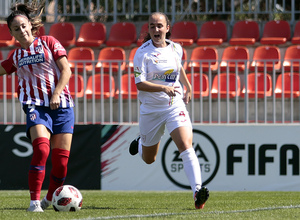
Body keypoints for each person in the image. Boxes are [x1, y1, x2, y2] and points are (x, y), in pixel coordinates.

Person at [129, 12, 209, 209]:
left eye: (160, 26)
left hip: (174, 105)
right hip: (150, 110)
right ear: (148, 29)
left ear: (167, 28)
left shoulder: (176, 48)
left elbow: (178, 67)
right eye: (152, 26)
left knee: (185, 144)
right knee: (149, 159)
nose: (156, 30)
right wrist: (163, 88)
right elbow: (140, 84)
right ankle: (141, 144)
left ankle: (197, 192)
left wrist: (188, 86)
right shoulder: (142, 53)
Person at [0, 1, 74, 212]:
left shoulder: (49, 42)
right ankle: (34, 202)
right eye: (16, 28)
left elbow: (66, 71)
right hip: (35, 107)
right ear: (12, 33)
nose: (21, 30)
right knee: (41, 149)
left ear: (30, 25)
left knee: (60, 164)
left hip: (63, 106)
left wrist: (57, 93)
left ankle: (49, 199)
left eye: (23, 25)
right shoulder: (16, 56)